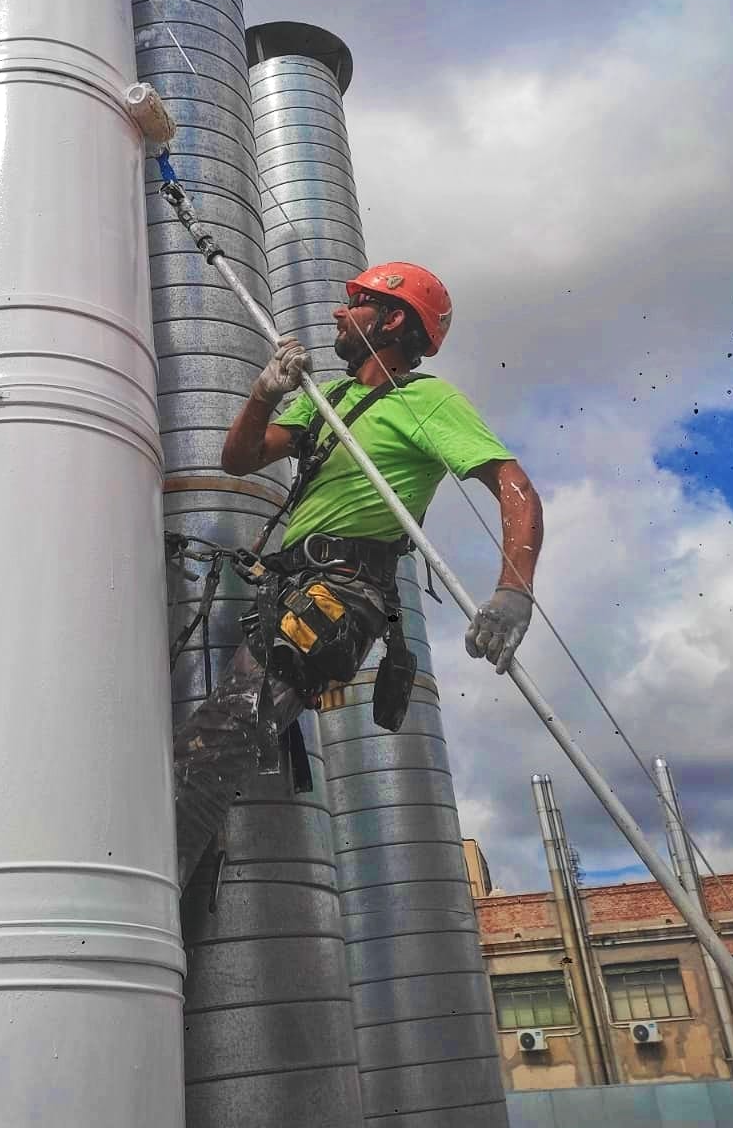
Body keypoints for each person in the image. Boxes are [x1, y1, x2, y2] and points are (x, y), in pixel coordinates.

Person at [171, 262, 544, 889]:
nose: (340, 314)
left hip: (339, 595)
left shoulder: (428, 401)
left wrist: (512, 591)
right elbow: (239, 460)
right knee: (217, 740)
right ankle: (176, 862)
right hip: (291, 591)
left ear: (392, 320)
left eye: (357, 304)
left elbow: (515, 487)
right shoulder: (332, 401)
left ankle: (151, 889)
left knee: (217, 741)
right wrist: (265, 391)